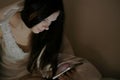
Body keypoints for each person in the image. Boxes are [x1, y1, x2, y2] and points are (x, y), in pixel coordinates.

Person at [0, 0, 102, 80]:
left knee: (86, 70)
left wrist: (64, 74)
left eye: (52, 21)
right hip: (13, 78)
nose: (47, 27)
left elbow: (65, 56)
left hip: (39, 75)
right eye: (45, 20)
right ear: (33, 12)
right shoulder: (4, 24)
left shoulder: (48, 31)